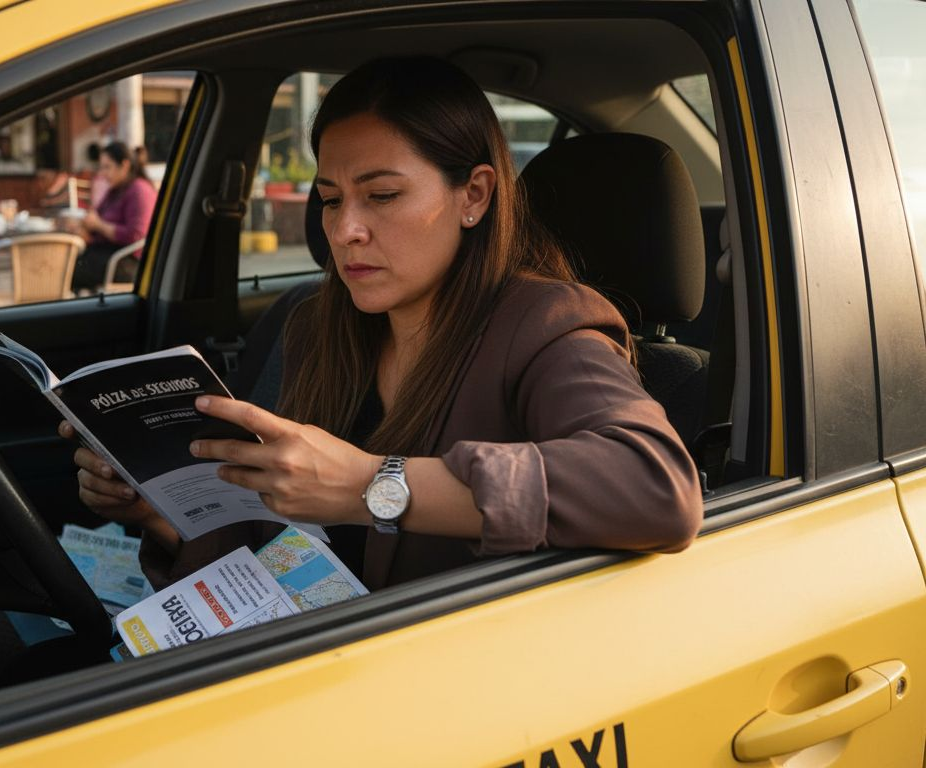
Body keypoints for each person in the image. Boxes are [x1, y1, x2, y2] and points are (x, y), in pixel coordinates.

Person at [66, 57, 703, 590]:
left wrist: (372, 487)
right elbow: (264, 538)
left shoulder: (544, 324)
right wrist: (164, 516)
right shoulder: (315, 326)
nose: (345, 230)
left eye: (383, 195)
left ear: (474, 195)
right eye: (331, 199)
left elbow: (656, 487)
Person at [67, 142, 158, 292]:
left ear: (125, 165)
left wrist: (99, 225)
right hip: (105, 255)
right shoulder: (115, 190)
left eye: (107, 167)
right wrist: (83, 226)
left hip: (125, 262)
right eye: (101, 167)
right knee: (63, 264)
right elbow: (97, 217)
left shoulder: (139, 190)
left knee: (63, 272)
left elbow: (136, 235)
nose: (102, 173)